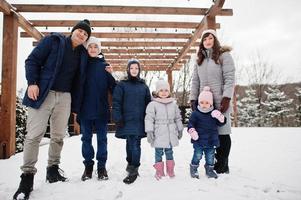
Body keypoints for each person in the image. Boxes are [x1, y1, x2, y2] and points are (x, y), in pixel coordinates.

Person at [13, 19, 91, 200]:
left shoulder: (82, 54)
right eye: (80, 31)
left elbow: (83, 78)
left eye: (86, 34)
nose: (82, 35)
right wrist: (32, 83)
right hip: (43, 93)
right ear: (73, 30)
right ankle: (27, 177)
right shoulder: (53, 41)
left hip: (65, 97)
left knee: (58, 136)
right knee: (34, 136)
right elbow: (32, 60)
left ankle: (52, 170)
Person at [189, 29, 235, 174]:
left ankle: (222, 165)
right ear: (202, 43)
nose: (207, 41)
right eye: (205, 39)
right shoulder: (199, 60)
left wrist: (227, 97)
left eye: (210, 38)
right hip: (204, 104)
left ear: (215, 40)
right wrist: (193, 98)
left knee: (223, 132)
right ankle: (216, 162)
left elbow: (229, 78)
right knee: (209, 132)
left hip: (220, 101)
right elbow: (195, 81)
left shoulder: (224, 56)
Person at [78, 36, 116, 181]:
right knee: (86, 139)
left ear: (99, 49)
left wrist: (111, 75)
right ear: (86, 49)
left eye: (96, 47)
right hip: (85, 110)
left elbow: (114, 88)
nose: (93, 49)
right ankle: (88, 167)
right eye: (90, 46)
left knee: (102, 140)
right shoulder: (81, 65)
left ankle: (102, 167)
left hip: (101, 110)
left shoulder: (104, 66)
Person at [112, 59, 151, 184]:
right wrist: (118, 117)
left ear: (139, 70)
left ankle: (135, 167)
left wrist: (149, 119)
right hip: (126, 120)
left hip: (139, 121)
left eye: (136, 68)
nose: (134, 70)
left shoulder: (144, 86)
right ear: (128, 70)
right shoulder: (122, 85)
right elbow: (116, 102)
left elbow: (148, 104)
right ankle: (130, 164)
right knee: (130, 143)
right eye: (132, 68)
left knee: (135, 143)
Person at [145, 79, 183, 180]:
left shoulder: (173, 104)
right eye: (161, 90)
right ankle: (159, 171)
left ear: (169, 92)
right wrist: (149, 131)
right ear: (157, 92)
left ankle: (170, 170)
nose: (163, 93)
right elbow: (149, 119)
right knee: (158, 153)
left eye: (166, 90)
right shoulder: (152, 105)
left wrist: (180, 129)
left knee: (169, 152)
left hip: (170, 134)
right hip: (158, 133)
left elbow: (178, 118)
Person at [188, 86, 226, 179]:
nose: (204, 104)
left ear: (211, 103)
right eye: (201, 102)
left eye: (207, 102)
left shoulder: (214, 113)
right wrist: (192, 131)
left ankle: (209, 169)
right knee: (197, 155)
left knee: (210, 157)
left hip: (211, 140)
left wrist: (220, 117)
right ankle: (193, 168)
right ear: (199, 102)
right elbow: (190, 124)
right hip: (198, 140)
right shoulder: (195, 113)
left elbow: (221, 124)